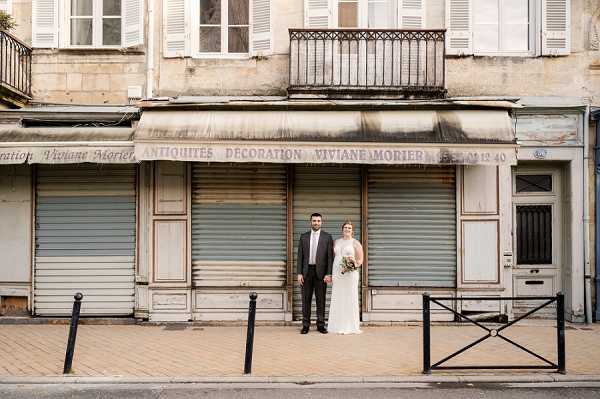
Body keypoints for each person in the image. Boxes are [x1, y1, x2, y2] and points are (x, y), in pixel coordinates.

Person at [297, 213, 334, 334]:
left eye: (318, 221)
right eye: (314, 221)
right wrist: (299, 273)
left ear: (321, 222)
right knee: (306, 300)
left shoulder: (327, 237)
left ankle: (321, 325)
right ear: (310, 222)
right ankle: (306, 325)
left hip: (321, 273)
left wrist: (329, 273)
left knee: (321, 300)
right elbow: (299, 257)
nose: (316, 223)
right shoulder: (303, 237)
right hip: (306, 272)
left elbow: (329, 258)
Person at [327, 220, 363, 334]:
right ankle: (336, 325)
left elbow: (360, 259)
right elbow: (332, 257)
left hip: (350, 274)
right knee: (338, 297)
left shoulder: (355, 243)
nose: (347, 229)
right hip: (338, 273)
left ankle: (350, 326)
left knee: (349, 297)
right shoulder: (336, 242)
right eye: (345, 227)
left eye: (349, 228)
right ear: (342, 229)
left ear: (352, 230)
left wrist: (353, 265)